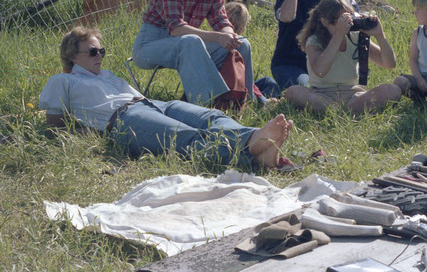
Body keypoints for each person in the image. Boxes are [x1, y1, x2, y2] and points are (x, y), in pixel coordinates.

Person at [40, 26, 292, 170]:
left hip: (152, 104)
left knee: (212, 116)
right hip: (125, 119)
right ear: (73, 56)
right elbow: (55, 121)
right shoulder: (63, 81)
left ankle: (252, 139)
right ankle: (253, 152)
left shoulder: (106, 74)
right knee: (185, 137)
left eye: (101, 50)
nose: (99, 56)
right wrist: (92, 133)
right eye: (93, 51)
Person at [131, 0, 256, 106]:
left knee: (243, 44)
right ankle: (208, 105)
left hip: (185, 44)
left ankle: (245, 102)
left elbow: (221, 20)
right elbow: (175, 29)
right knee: (191, 41)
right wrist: (218, 37)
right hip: (150, 46)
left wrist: (229, 35)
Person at [283, 0, 402, 114]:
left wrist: (380, 35)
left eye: (348, 18)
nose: (346, 24)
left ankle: (338, 111)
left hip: (354, 94)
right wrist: (338, 36)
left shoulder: (355, 36)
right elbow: (320, 71)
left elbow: (389, 64)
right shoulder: (314, 40)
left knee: (393, 90)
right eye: (340, 21)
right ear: (324, 21)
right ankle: (345, 111)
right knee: (293, 92)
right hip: (322, 94)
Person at [271, 0, 357, 90]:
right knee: (308, 88)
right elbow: (286, 16)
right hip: (290, 62)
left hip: (321, 60)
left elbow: (354, 12)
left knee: (332, 89)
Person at [224, 0, 282, 104]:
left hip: (235, 84)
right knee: (267, 86)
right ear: (242, 29)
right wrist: (261, 99)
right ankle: (265, 103)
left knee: (267, 81)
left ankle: (270, 100)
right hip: (237, 87)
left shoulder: (214, 40)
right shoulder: (240, 46)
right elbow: (246, 81)